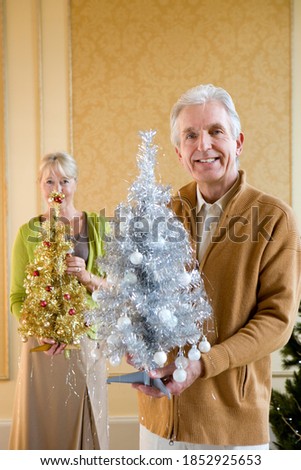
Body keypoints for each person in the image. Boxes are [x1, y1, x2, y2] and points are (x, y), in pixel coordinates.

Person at [133, 84, 301, 450]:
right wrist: (136, 344)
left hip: (229, 425)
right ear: (179, 153)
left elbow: (276, 322)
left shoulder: (274, 218)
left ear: (238, 142)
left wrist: (205, 364)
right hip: (158, 419)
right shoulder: (162, 212)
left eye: (215, 131)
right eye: (190, 135)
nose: (203, 145)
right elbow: (140, 299)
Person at [9, 152, 108, 450]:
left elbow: (115, 289)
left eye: (64, 180)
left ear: (76, 183)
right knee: (41, 434)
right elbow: (17, 297)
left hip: (86, 342)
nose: (57, 188)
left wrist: (88, 278)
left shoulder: (99, 227)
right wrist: (38, 328)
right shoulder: (27, 233)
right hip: (42, 349)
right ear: (39, 185)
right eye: (49, 181)